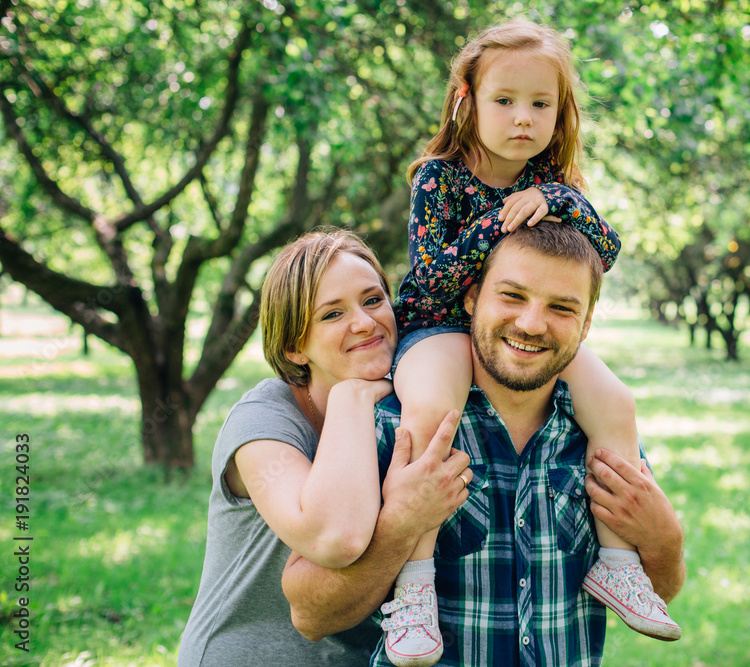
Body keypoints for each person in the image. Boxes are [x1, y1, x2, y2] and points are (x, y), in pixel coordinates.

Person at [385, 18, 679, 666]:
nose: (523, 118)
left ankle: (619, 562)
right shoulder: (439, 178)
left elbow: (606, 247)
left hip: (528, 331)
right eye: (506, 100)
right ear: (467, 98)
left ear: (559, 111)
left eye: (540, 104)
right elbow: (430, 278)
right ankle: (412, 590)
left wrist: (554, 198)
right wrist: (496, 224)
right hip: (440, 325)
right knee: (433, 412)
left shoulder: (550, 184)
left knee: (615, 402)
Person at [283, 222, 686, 667]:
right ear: (471, 298)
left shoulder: (599, 431)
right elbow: (310, 612)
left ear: (587, 323)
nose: (531, 324)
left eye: (562, 307)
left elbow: (657, 591)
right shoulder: (397, 427)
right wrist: (400, 526)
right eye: (512, 296)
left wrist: (665, 540)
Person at [177, 229, 472, 666]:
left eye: (373, 300)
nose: (364, 322)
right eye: (333, 314)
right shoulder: (262, 422)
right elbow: (337, 537)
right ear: (295, 346)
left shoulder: (407, 404)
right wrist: (351, 395)